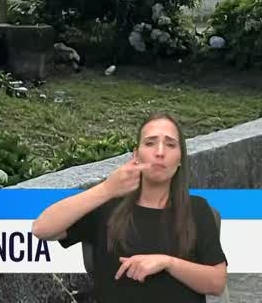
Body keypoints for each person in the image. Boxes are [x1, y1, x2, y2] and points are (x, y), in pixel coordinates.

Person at [32, 113, 227, 302]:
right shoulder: (108, 205)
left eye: (170, 145)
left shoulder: (197, 209)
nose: (160, 152)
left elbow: (216, 283)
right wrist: (106, 188)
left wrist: (168, 263)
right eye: (150, 143)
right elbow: (42, 229)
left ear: (179, 160)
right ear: (136, 155)